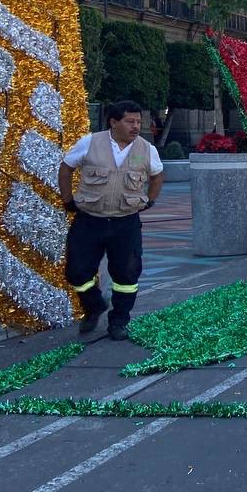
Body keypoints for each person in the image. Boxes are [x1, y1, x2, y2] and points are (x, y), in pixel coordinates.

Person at [58, 100, 164, 340]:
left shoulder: (146, 149)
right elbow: (66, 169)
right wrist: (67, 199)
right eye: (130, 121)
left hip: (125, 222)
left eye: (138, 121)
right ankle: (94, 305)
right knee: (76, 271)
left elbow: (157, 176)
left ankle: (119, 322)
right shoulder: (90, 143)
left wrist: (149, 200)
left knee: (127, 275)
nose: (136, 126)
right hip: (89, 220)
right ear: (113, 122)